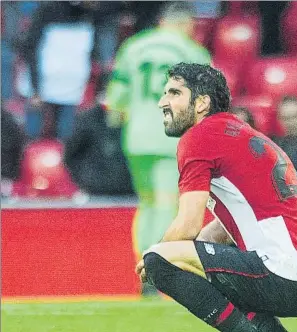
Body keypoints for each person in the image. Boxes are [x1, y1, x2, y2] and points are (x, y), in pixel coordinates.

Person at [135, 63, 297, 332]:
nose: (162, 102)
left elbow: (188, 224)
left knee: (161, 260)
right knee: (183, 257)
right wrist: (179, 254)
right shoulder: (245, 136)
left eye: (174, 93)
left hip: (282, 273)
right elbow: (222, 229)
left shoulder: (200, 137)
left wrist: (156, 258)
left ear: (201, 103)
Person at [107, 2, 211, 295]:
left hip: (136, 137)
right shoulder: (191, 52)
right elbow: (206, 102)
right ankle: (155, 271)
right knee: (167, 204)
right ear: (184, 23)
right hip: (171, 138)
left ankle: (143, 263)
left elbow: (115, 102)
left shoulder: (133, 46)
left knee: (148, 203)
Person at [16, 1, 97, 140]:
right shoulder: (50, 10)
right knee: (36, 138)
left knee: (61, 139)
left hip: (70, 85)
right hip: (48, 81)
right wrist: (36, 88)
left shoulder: (88, 14)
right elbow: (31, 46)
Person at [63, 74, 134, 197]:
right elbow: (70, 155)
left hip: (130, 191)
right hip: (95, 192)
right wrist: (86, 180)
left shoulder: (135, 120)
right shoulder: (88, 119)